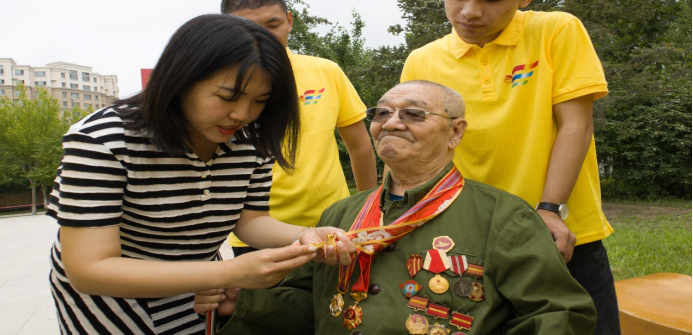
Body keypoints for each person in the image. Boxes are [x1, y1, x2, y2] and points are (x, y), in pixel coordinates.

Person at [195, 80, 598, 335]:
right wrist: (243, 302)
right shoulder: (339, 216)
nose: (390, 122)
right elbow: (310, 307)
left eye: (413, 114)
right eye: (382, 113)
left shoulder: (503, 217)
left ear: (455, 131)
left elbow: (558, 313)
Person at [46, 14, 355, 335]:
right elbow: (89, 269)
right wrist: (230, 273)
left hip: (199, 290)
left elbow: (250, 221)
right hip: (111, 300)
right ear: (182, 79)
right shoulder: (104, 140)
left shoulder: (251, 137)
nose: (242, 114)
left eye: (260, 101)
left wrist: (304, 236)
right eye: (227, 97)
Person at [399, 0, 619, 334]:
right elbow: (416, 149)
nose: (470, 12)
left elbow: (576, 124)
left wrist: (550, 209)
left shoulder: (556, 31)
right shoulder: (422, 60)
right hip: (468, 239)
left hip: (560, 235)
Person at [220, 0, 377, 257]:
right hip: (255, 230)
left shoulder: (325, 71)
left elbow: (360, 146)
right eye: (248, 28)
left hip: (335, 224)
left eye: (273, 25)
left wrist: (367, 211)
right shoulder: (219, 83)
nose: (264, 36)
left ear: (289, 20)